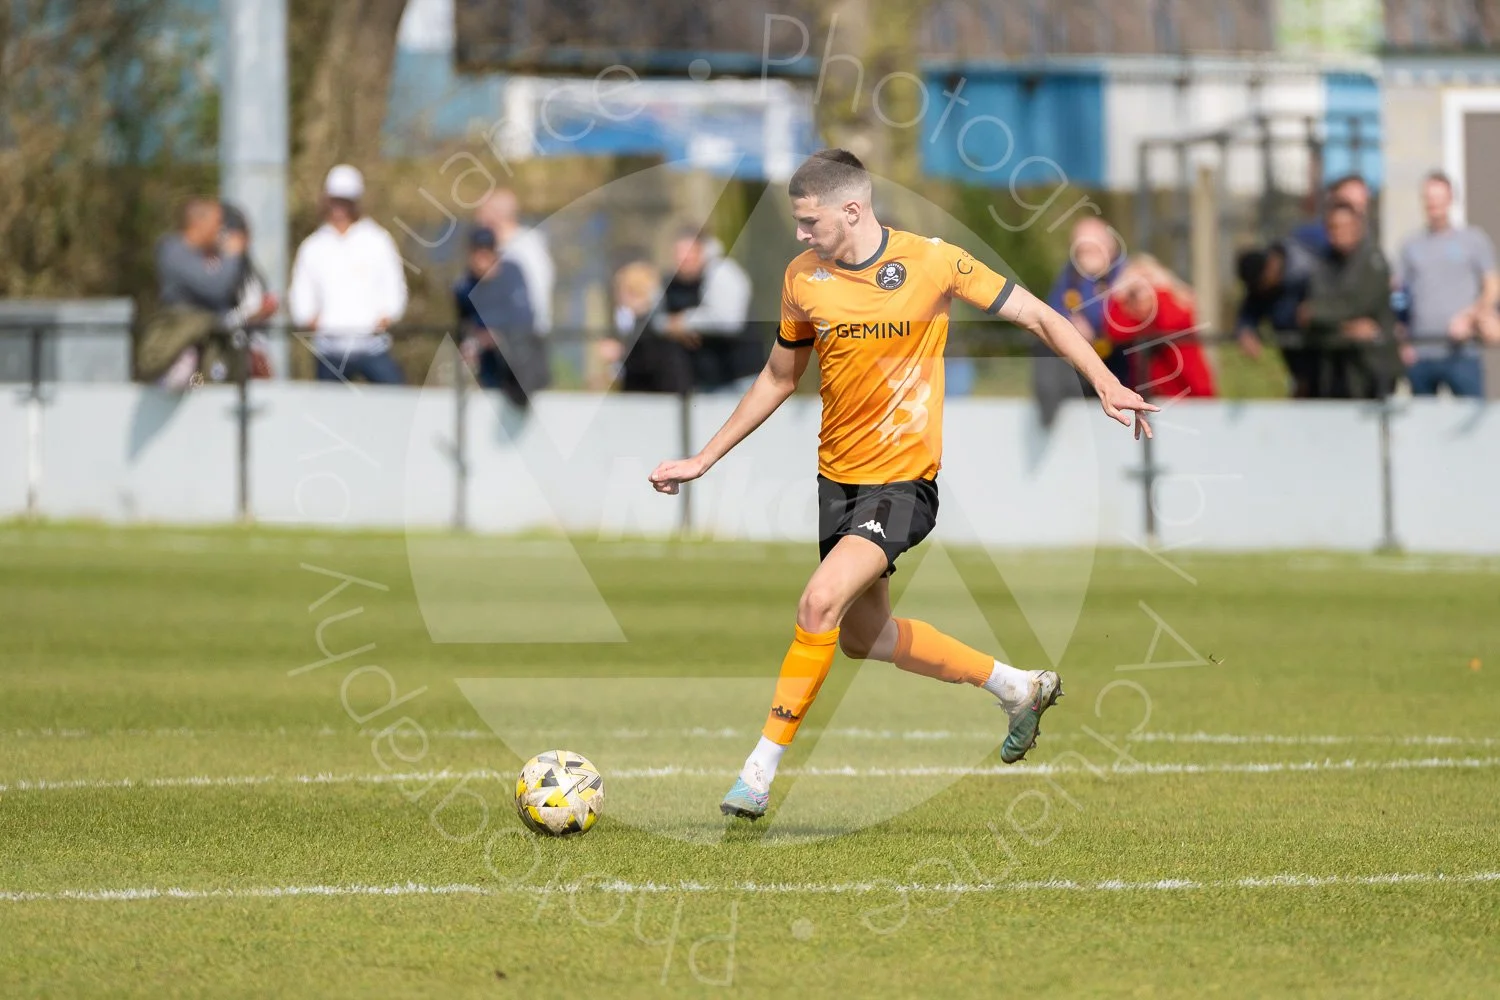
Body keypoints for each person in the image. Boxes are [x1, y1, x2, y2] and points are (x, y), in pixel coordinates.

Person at [645, 150, 1158, 820]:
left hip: (904, 483)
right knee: (861, 635)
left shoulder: (933, 262)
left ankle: (757, 772)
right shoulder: (803, 278)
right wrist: (703, 458)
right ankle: (1016, 688)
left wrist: (1105, 381)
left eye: (809, 220)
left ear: (852, 210)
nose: (800, 233)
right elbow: (779, 376)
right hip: (839, 482)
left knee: (817, 603)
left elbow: (1039, 315)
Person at [288, 164, 408, 384]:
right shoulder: (313, 246)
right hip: (330, 351)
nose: (339, 208)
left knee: (396, 404)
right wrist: (311, 319)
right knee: (326, 414)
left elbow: (394, 287)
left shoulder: (378, 240)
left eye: (345, 201)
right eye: (335, 200)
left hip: (372, 347)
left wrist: (386, 316)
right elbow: (301, 296)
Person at [1396, 171, 1500, 397]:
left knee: (1470, 424)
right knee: (1424, 424)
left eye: (1439, 197)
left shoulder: (1473, 240)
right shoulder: (1410, 245)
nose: (1434, 203)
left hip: (1462, 353)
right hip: (1422, 352)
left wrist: (1470, 317)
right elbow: (1399, 296)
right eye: (1429, 197)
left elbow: (1492, 287)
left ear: (1450, 199)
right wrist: (1402, 341)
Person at [1301, 200, 1396, 399]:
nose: (1338, 233)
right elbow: (1310, 312)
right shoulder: (1322, 263)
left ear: (1358, 227)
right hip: (1330, 372)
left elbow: (1357, 305)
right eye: (1333, 227)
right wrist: (1345, 327)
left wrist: (1322, 315)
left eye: (1344, 226)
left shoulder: (1373, 262)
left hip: (1368, 370)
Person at [1036, 217, 1127, 424]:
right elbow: (1052, 312)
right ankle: (1049, 415)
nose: (1085, 257)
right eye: (1081, 251)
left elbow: (1121, 319)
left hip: (1117, 364)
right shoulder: (1071, 274)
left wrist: (1089, 328)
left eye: (1092, 249)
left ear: (1109, 248)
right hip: (1077, 367)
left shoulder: (1126, 273)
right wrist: (1070, 327)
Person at [653, 229, 758, 393]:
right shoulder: (671, 282)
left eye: (689, 253)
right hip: (702, 380)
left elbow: (729, 320)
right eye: (679, 254)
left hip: (738, 378)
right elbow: (656, 319)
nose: (683, 260)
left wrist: (685, 323)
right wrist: (670, 327)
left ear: (703, 251)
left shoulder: (723, 274)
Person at [454, 227, 546, 408]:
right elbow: (463, 324)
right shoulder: (464, 285)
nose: (482, 258)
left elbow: (525, 315)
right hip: (486, 361)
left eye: (486, 252)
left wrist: (496, 332)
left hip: (518, 358)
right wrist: (472, 340)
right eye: (477, 252)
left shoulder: (512, 272)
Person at [1105, 255, 1217, 399]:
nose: (1143, 284)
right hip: (1151, 394)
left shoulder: (1178, 301)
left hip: (1191, 390)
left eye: (1147, 277)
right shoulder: (1134, 313)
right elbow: (1115, 331)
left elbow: (1168, 324)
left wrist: (1162, 289)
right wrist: (1119, 294)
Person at [476, 189, 555, 337]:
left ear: (495, 216)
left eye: (482, 213)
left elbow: (535, 296)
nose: (478, 220)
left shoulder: (527, 248)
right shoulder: (495, 249)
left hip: (525, 339)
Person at [610, 259, 692, 394]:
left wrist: (621, 354)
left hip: (659, 397)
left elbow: (649, 362)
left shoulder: (652, 323)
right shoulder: (638, 321)